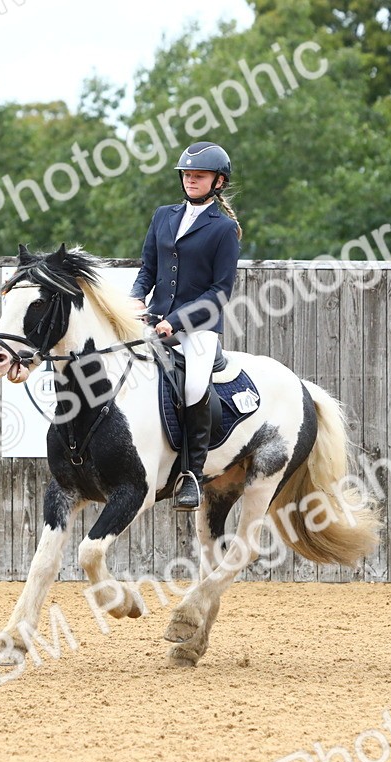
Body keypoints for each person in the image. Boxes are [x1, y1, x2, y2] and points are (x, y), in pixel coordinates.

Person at [131, 141, 242, 511]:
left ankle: (190, 475)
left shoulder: (223, 230)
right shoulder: (163, 215)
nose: (191, 180)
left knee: (194, 385)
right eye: (187, 175)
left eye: (199, 175)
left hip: (199, 329)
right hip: (153, 320)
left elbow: (219, 292)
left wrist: (174, 323)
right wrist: (136, 297)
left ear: (218, 182)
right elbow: (148, 267)